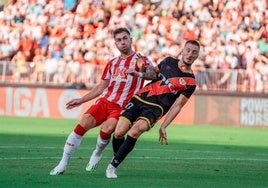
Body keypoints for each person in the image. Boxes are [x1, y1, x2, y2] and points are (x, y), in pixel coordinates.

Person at [49, 27, 153, 175]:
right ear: (115, 44)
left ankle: (97, 153)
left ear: (131, 40)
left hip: (123, 106)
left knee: (107, 129)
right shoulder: (112, 63)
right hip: (106, 101)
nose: (122, 42)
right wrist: (81, 100)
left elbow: (152, 75)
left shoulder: (140, 60)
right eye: (119, 40)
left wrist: (140, 72)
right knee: (83, 123)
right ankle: (63, 163)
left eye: (125, 38)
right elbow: (102, 86)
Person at [105, 40, 200, 178]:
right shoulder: (168, 61)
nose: (190, 54)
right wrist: (140, 72)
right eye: (188, 50)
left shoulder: (191, 82)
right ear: (182, 50)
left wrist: (164, 126)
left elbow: (177, 106)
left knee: (135, 131)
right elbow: (153, 74)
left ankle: (112, 167)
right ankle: (119, 156)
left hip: (156, 108)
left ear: (197, 56)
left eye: (194, 52)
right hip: (140, 98)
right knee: (119, 132)